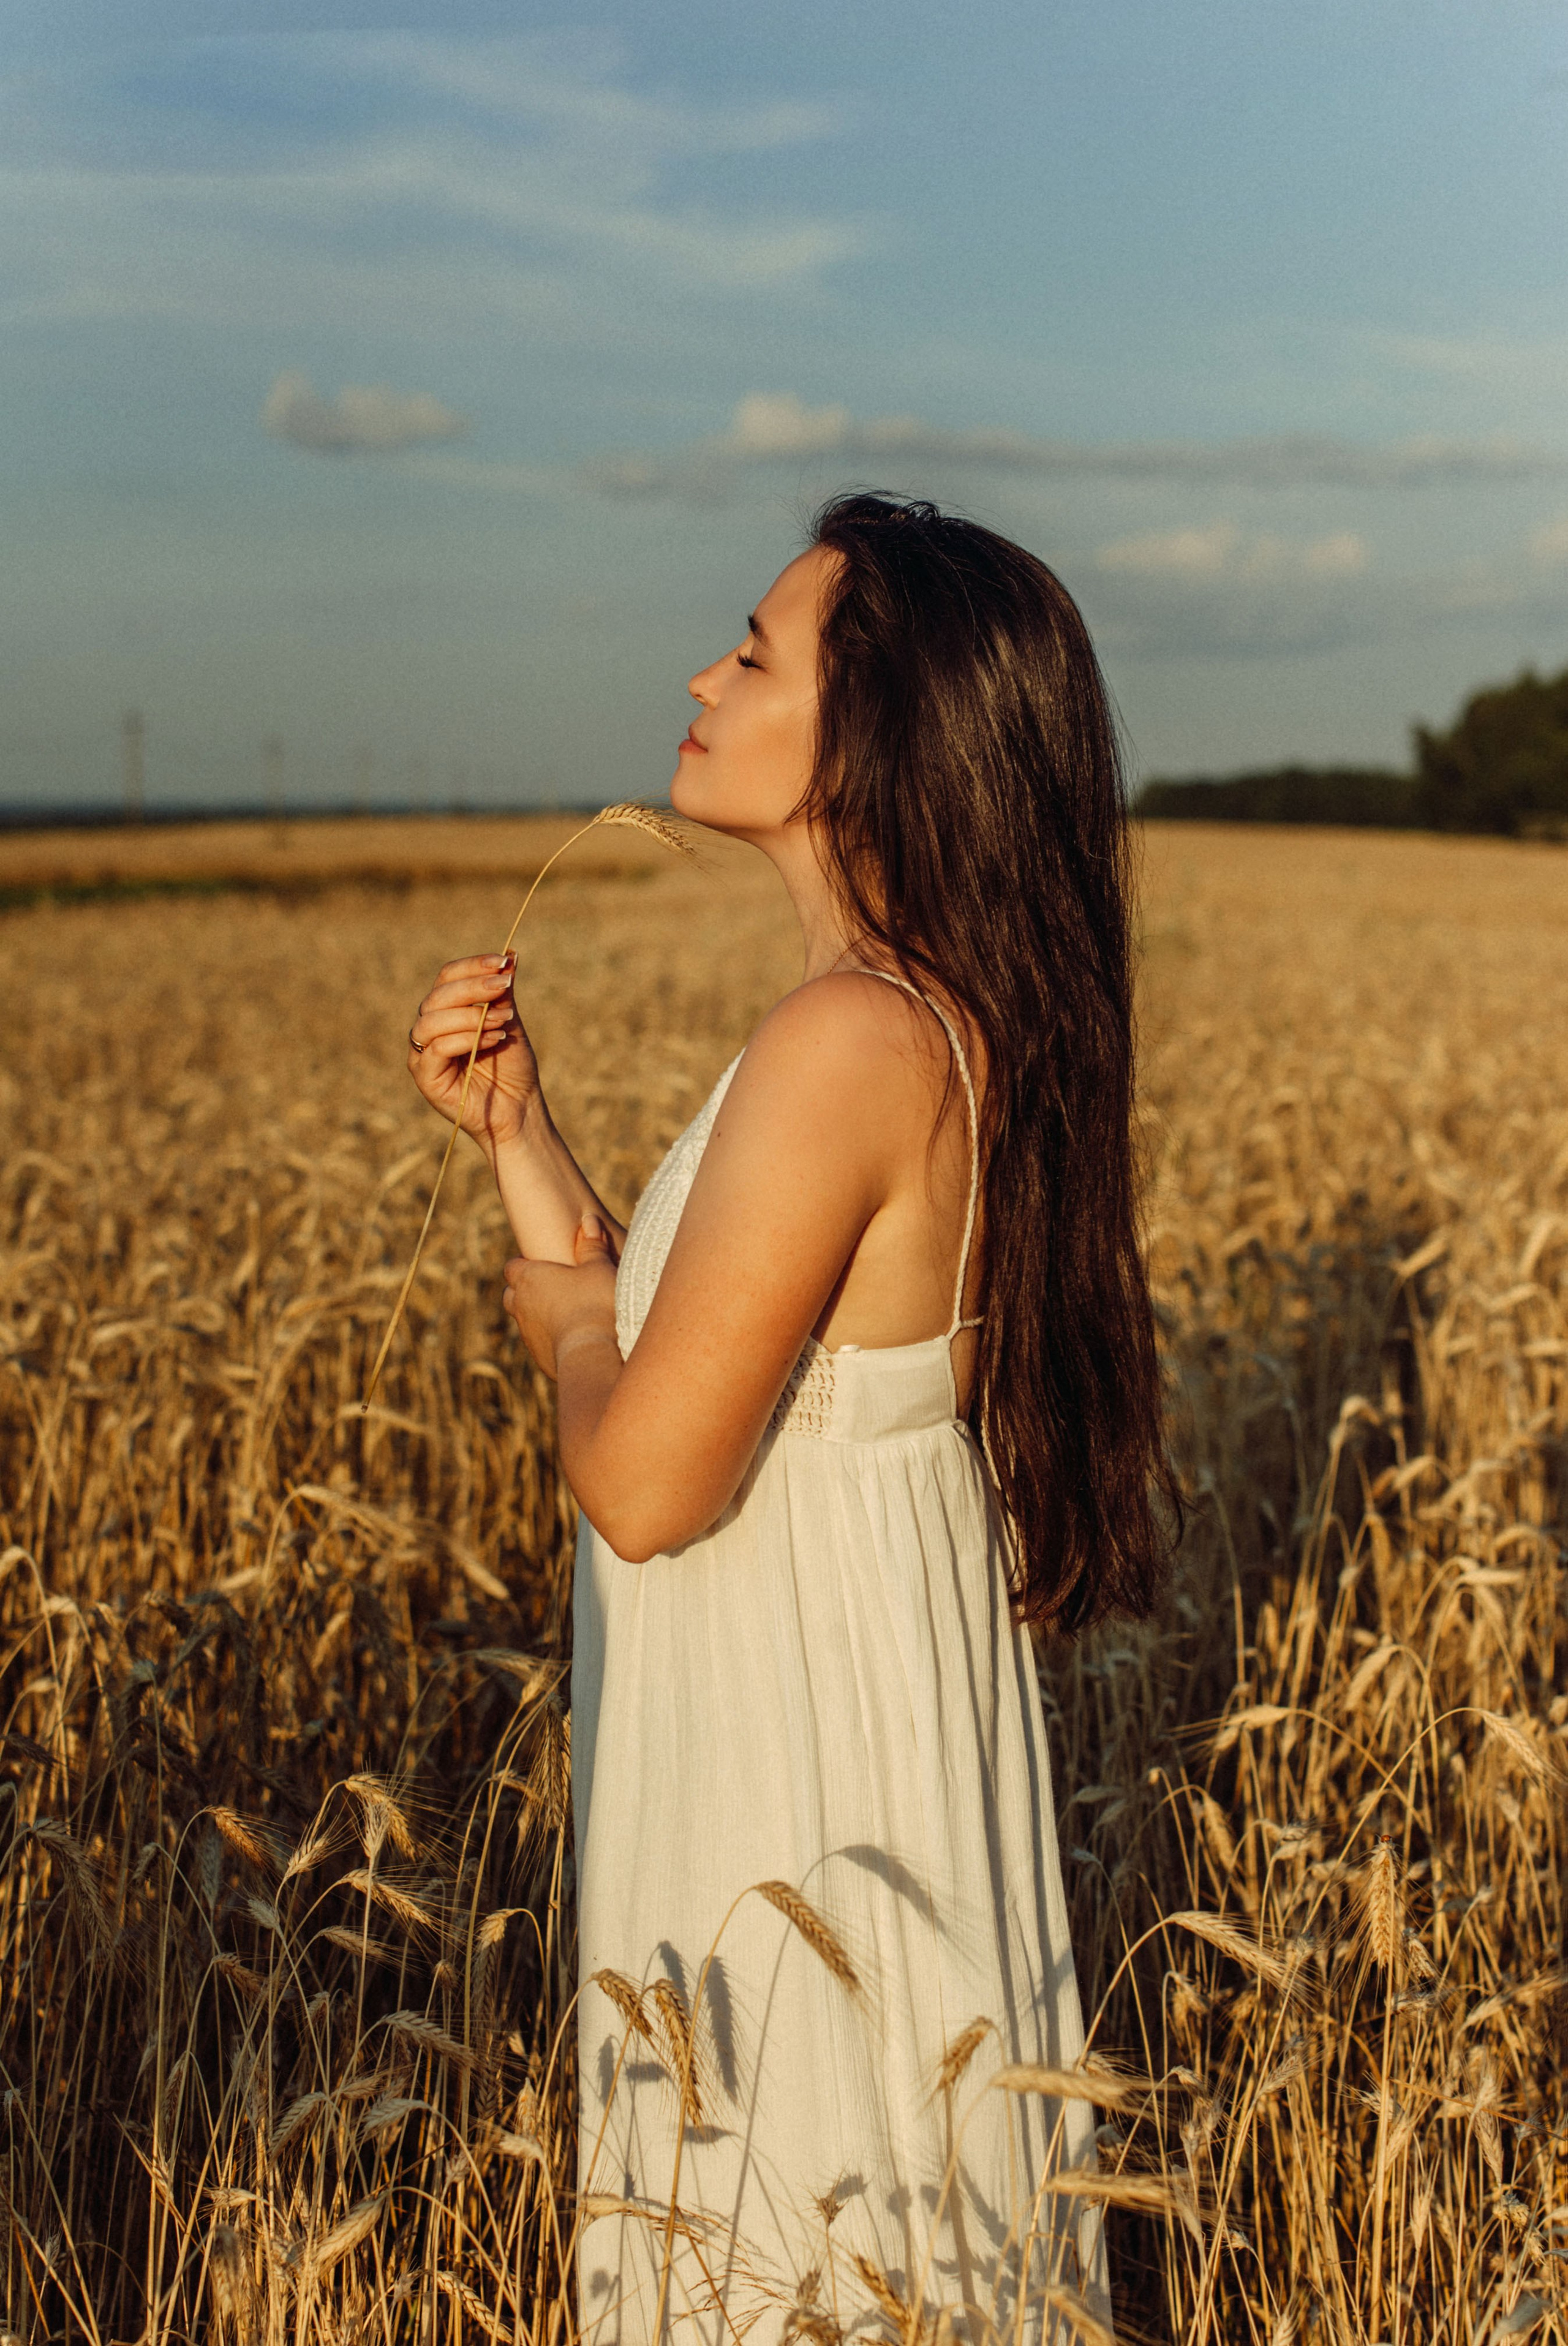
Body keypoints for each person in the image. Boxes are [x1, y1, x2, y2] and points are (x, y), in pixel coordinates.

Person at [405, 494, 1177, 2344]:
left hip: (789, 1776)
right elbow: (723, 1350)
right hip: (841, 1717)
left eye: (755, 651)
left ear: (880, 725)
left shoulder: (851, 1040)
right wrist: (523, 1146)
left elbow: (654, 1476)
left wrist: (560, 1318)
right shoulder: (926, 1016)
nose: (703, 672)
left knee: (789, 2242)